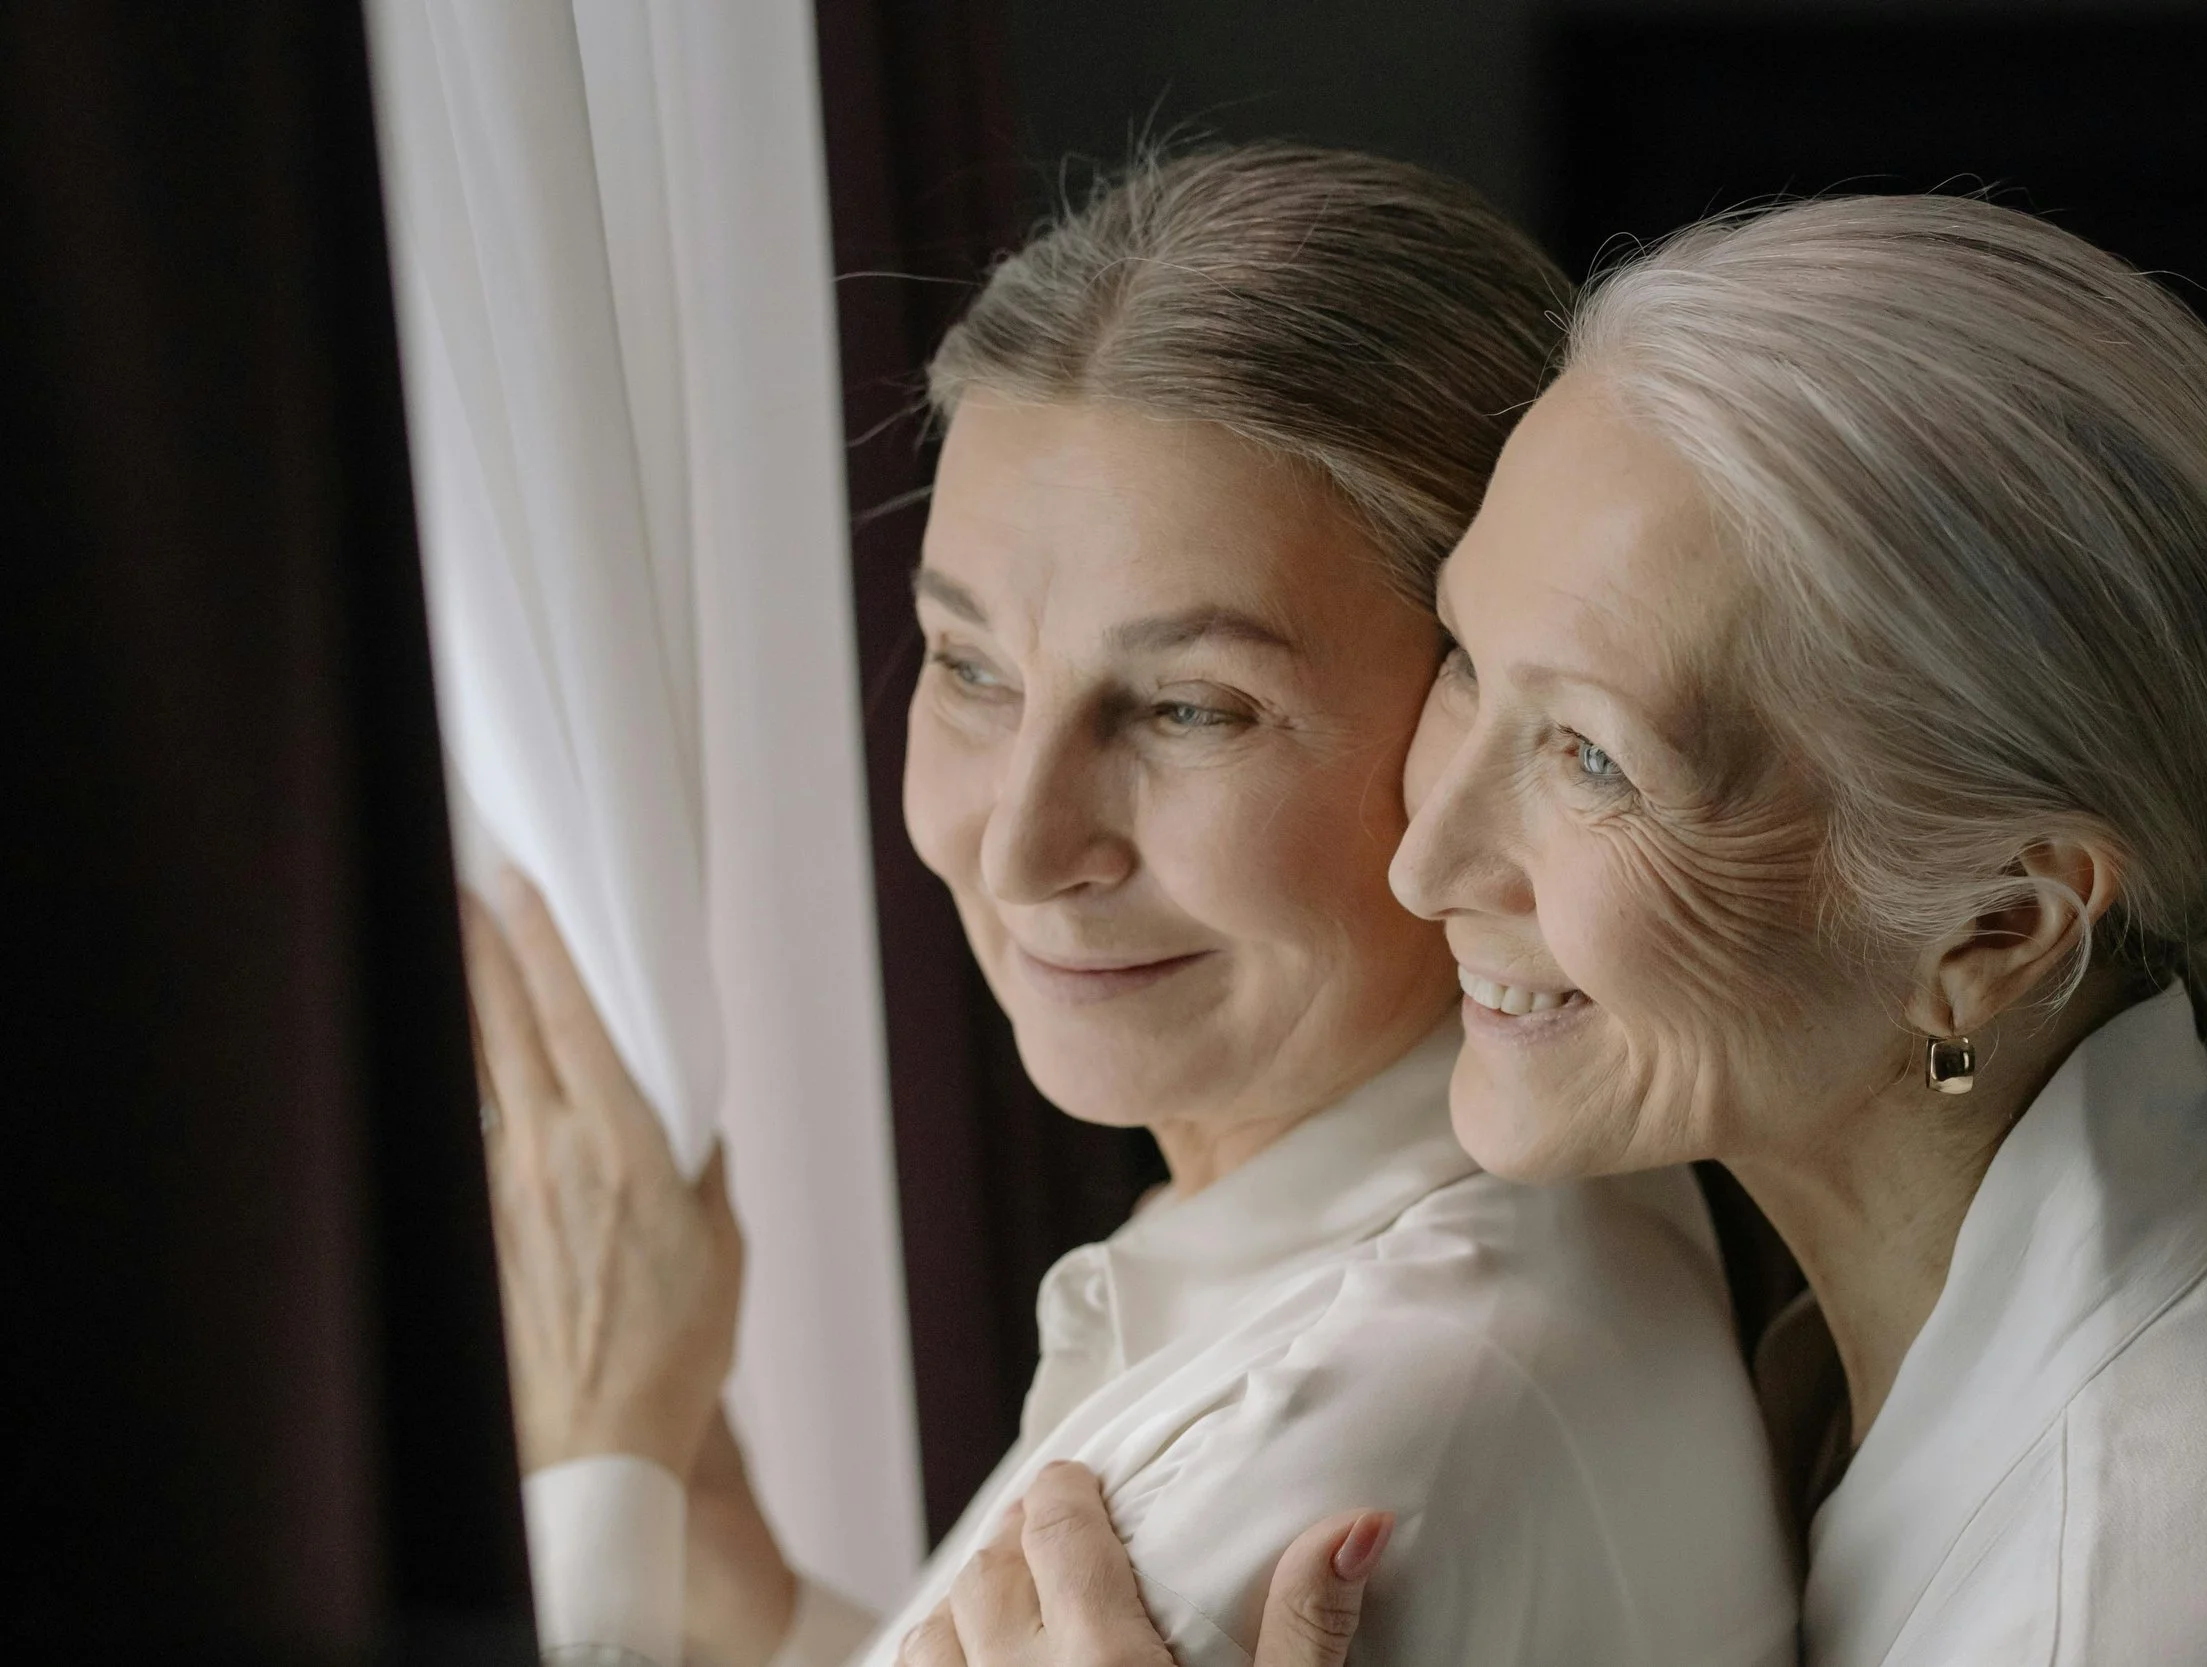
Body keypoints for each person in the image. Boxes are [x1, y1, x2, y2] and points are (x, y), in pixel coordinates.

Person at [944, 193, 2207, 1664]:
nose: (1426, 860)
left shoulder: (2138, 1597)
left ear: (1999, 927)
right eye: (1472, 664)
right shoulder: (1856, 1316)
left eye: (1595, 759)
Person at [466, 144, 1797, 1667]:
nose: (1024, 846)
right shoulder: (1434, 1257)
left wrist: (594, 1488)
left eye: (1188, 709)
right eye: (971, 668)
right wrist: (734, 1581)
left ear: (1481, 723)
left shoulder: (1350, 1440)